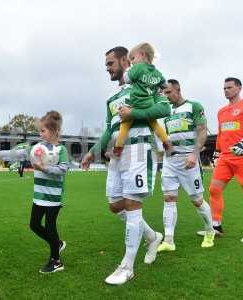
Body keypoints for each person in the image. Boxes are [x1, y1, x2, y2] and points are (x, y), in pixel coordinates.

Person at [81, 46, 170, 285]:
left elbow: (165, 107)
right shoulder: (111, 99)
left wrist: (134, 112)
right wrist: (92, 153)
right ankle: (153, 237)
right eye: (106, 65)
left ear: (124, 60)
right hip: (116, 155)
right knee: (115, 205)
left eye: (110, 63)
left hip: (139, 149)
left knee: (132, 203)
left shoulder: (145, 84)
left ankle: (127, 267)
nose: (107, 69)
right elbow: (110, 129)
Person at [0, 111, 69, 273]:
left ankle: (56, 261)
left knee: (50, 227)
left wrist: (44, 168)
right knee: (34, 225)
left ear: (54, 131)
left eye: (43, 130)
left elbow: (64, 168)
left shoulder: (61, 150)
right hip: (39, 195)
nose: (40, 134)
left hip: (53, 197)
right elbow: (17, 154)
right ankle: (57, 244)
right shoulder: (36, 148)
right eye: (40, 131)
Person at [156, 79, 215, 253]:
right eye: (163, 93)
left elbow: (202, 130)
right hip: (170, 162)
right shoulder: (166, 112)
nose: (166, 96)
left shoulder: (194, 106)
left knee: (196, 200)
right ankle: (168, 240)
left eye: (168, 93)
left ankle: (210, 231)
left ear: (178, 90)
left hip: (189, 161)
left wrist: (194, 154)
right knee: (169, 198)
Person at [202, 77, 243, 243]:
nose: (226, 90)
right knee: (214, 189)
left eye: (229, 87)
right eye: (224, 88)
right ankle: (216, 226)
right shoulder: (221, 112)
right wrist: (217, 153)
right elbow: (221, 134)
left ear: (239, 88)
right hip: (225, 157)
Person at [114, 42, 170, 156]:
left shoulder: (138, 68)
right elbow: (165, 85)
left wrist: (128, 71)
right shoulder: (157, 72)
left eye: (133, 58)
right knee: (155, 125)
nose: (132, 62)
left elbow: (126, 79)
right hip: (149, 104)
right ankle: (166, 142)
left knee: (124, 125)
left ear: (142, 55)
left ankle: (117, 149)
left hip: (136, 103)